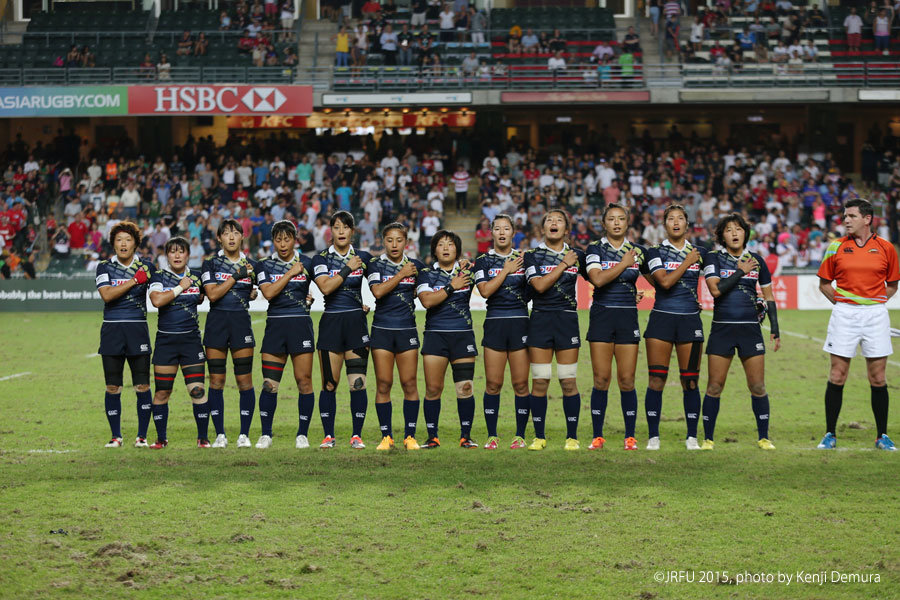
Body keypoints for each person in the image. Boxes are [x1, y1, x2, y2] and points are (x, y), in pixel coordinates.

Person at [816, 199, 899, 451]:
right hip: (844, 315)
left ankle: (882, 436)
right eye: (845, 216)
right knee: (837, 375)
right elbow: (824, 284)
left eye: (851, 216)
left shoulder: (886, 248)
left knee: (878, 377)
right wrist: (845, 304)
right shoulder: (836, 247)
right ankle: (830, 434)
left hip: (876, 315)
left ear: (867, 219)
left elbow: (893, 284)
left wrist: (872, 304)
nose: (846, 220)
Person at [701, 214, 781, 451]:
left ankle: (764, 438)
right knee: (715, 386)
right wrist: (740, 271)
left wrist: (775, 328)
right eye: (728, 230)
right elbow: (716, 290)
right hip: (722, 329)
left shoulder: (757, 260)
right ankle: (708, 439)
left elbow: (769, 296)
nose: (734, 233)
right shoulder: (714, 258)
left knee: (757, 386)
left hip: (750, 331)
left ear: (745, 233)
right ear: (722, 236)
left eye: (738, 229)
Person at [642, 205, 710, 451]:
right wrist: (687, 261)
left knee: (690, 381)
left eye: (680, 218)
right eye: (671, 218)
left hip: (690, 321)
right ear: (665, 225)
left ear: (687, 224)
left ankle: (692, 437)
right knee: (656, 379)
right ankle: (653, 437)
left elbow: (716, 281)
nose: (676, 222)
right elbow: (664, 282)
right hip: (661, 320)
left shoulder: (701, 252)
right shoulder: (656, 252)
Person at [584, 204, 649, 451]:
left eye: (621, 218)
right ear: (604, 223)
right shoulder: (595, 249)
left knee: (627, 380)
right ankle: (597, 436)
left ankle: (630, 437)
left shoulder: (638, 252)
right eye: (611, 219)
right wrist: (623, 264)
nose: (617, 223)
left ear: (627, 222)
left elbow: (659, 281)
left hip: (627, 318)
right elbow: (598, 279)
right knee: (601, 379)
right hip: (602, 317)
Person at [523, 209, 584, 451]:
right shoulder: (533, 256)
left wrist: (631, 293)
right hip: (540, 320)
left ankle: (572, 437)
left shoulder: (577, 255)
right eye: (549, 220)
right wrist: (563, 264)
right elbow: (539, 286)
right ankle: (539, 437)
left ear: (566, 229)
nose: (554, 223)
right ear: (543, 228)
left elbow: (599, 280)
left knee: (568, 381)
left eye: (559, 220)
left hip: (567, 321)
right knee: (540, 380)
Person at [311, 211, 373, 449]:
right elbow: (326, 287)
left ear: (352, 231)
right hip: (331, 325)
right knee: (329, 383)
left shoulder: (364, 257)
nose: (341, 231)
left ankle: (357, 436)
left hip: (356, 324)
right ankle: (329, 436)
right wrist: (347, 268)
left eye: (345, 227)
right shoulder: (321, 259)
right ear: (331, 231)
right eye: (336, 227)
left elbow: (386, 273)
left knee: (358, 383)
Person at [416, 230, 478, 449]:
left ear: (457, 250)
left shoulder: (468, 271)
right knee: (433, 389)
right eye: (441, 244)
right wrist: (452, 286)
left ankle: (466, 436)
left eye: (450, 244)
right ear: (434, 250)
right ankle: (432, 437)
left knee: (465, 388)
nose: (445, 248)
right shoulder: (426, 274)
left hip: (463, 335)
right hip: (436, 336)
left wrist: (468, 265)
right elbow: (427, 301)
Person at [256, 220, 315, 449]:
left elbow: (327, 286)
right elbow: (269, 293)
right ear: (273, 241)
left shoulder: (307, 263)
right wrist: (291, 272)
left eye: (287, 239)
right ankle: (266, 434)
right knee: (269, 384)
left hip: (301, 327)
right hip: (276, 328)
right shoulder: (264, 265)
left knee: (304, 381)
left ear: (294, 240)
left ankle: (302, 435)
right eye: (278, 240)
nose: (283, 244)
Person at [95, 221, 155, 448]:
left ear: (135, 244)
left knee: (143, 386)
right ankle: (116, 437)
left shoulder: (147, 266)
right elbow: (107, 295)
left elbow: (163, 290)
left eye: (128, 240)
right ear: (113, 244)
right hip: (112, 331)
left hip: (137, 331)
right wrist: (134, 281)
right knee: (113, 387)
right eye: (119, 240)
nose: (123, 244)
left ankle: (142, 437)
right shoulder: (104, 267)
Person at [367, 223, 426, 450]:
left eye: (399, 240)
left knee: (409, 383)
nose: (394, 244)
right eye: (390, 240)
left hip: (406, 330)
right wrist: (402, 274)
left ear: (406, 242)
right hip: (382, 330)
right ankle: (386, 437)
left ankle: (410, 436)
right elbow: (378, 291)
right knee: (384, 383)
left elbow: (429, 286)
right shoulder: (376, 264)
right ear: (383, 241)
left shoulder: (417, 266)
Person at [201, 219, 259, 449]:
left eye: (235, 233)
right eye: (226, 233)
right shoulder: (210, 264)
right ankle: (220, 435)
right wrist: (237, 276)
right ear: (219, 238)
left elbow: (260, 289)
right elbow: (213, 294)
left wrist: (251, 293)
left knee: (245, 381)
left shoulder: (252, 265)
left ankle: (244, 435)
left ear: (242, 237)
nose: (231, 237)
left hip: (241, 325)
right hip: (216, 325)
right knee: (216, 381)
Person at [474, 215, 531, 449]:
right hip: (495, 323)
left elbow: (534, 289)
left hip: (520, 324)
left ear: (513, 233)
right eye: (497, 228)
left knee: (521, 384)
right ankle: (492, 436)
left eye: (506, 229)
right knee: (493, 384)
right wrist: (506, 270)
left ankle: (520, 436)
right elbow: (485, 291)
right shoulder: (483, 261)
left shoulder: (525, 260)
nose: (501, 232)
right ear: (491, 233)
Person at [147, 237, 209, 448]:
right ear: (167, 255)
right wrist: (180, 288)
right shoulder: (159, 276)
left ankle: (203, 438)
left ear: (188, 255)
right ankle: (161, 439)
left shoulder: (197, 277)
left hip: (191, 341)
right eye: (172, 251)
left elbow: (206, 295)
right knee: (162, 392)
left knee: (197, 390)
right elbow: (157, 300)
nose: (177, 255)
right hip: (166, 342)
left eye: (181, 251)